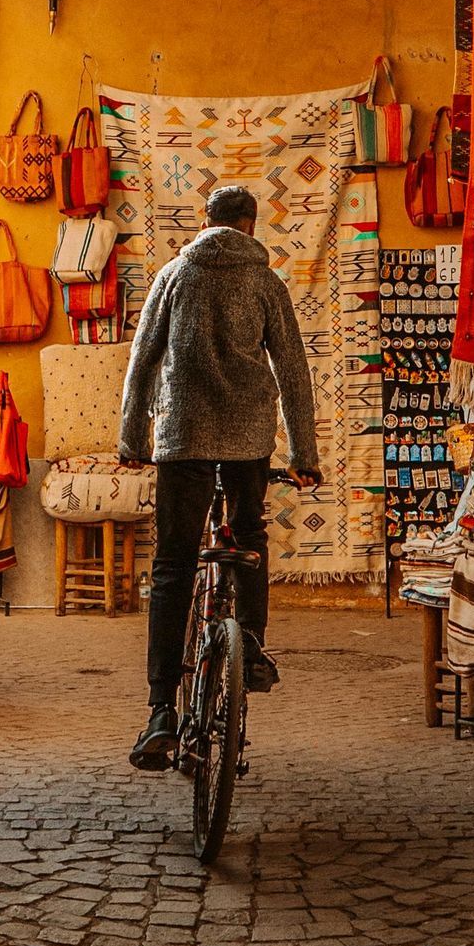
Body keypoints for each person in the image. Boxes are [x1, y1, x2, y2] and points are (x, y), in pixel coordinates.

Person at [116, 183, 321, 770]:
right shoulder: (266, 282)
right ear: (251, 227)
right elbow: (294, 372)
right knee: (248, 539)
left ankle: (160, 711)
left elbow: (143, 361)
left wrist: (133, 440)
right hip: (248, 439)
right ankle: (251, 649)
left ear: (205, 223)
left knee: (174, 565)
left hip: (181, 438)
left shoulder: (174, 276)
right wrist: (304, 453)